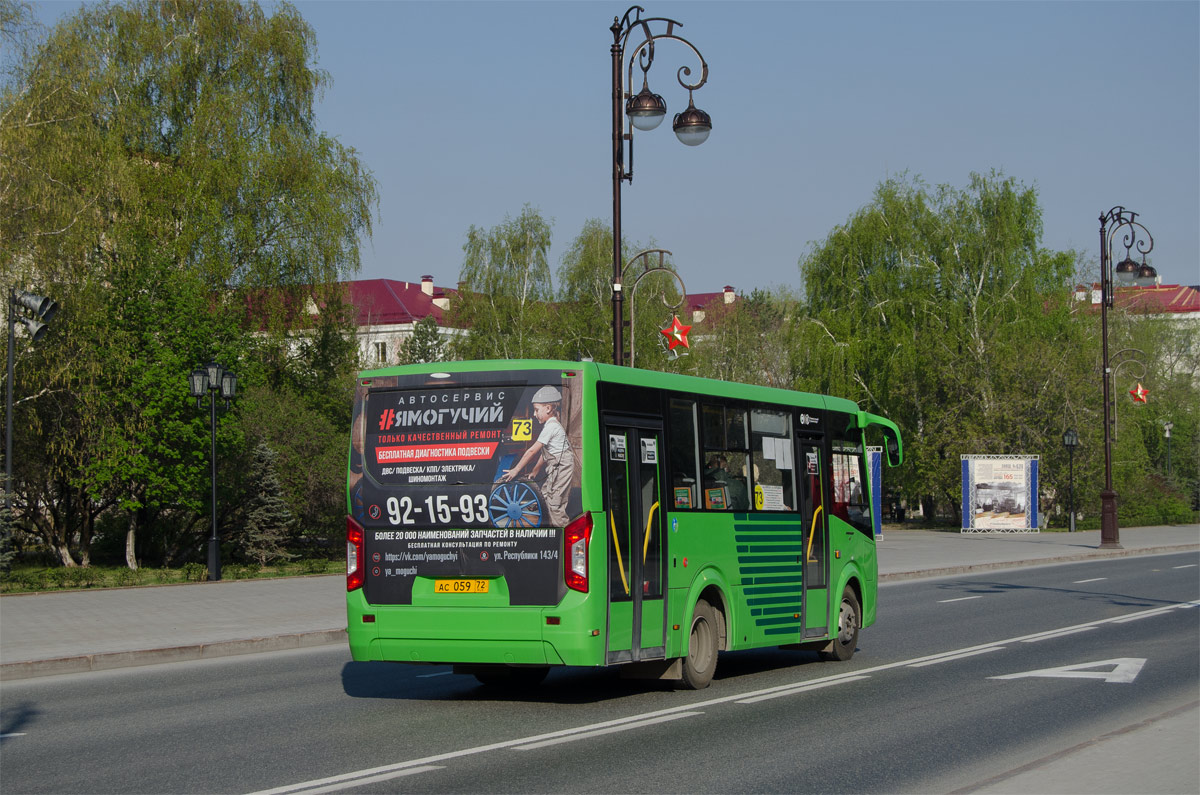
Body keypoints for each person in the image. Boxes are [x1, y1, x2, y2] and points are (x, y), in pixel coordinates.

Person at [499, 386, 574, 526]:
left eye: (537, 409)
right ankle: (550, 528)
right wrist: (535, 470)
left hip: (561, 466)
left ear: (548, 408)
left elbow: (532, 451)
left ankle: (563, 533)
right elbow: (545, 453)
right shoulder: (550, 426)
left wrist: (515, 470)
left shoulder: (552, 426)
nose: (534, 414)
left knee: (555, 504)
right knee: (544, 495)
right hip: (556, 466)